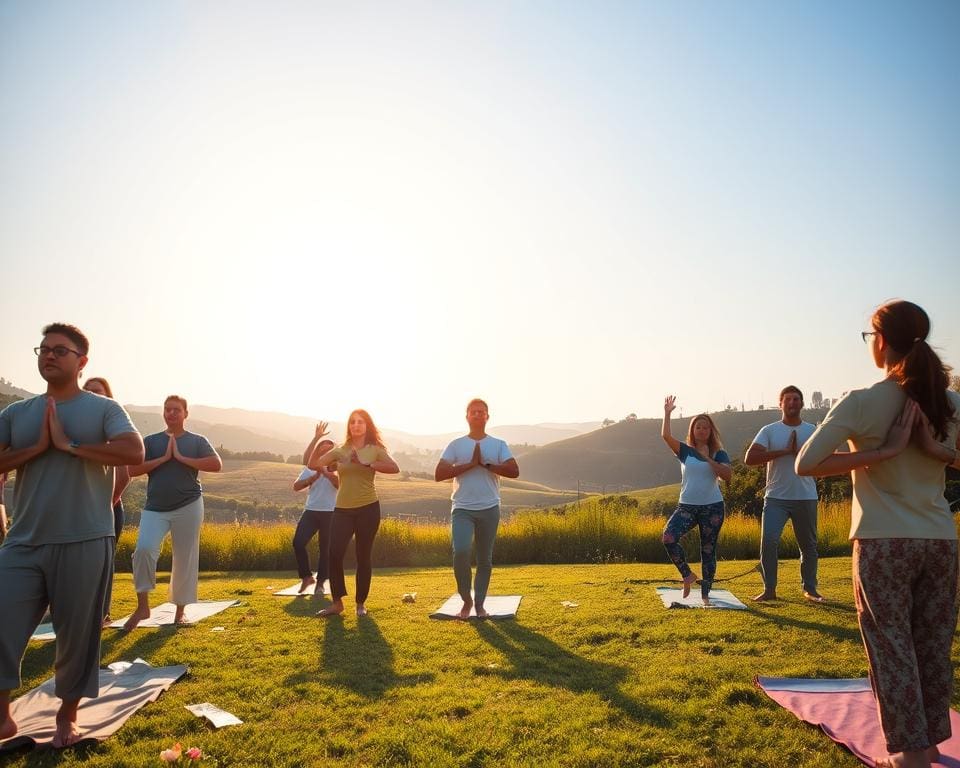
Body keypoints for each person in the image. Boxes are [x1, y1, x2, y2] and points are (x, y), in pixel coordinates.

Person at [797, 300, 960, 768]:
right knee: (932, 644)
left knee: (892, 645)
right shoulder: (949, 401)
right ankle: (928, 745)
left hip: (884, 541)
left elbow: (808, 464)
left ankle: (910, 754)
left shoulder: (863, 401)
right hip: (940, 541)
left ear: (881, 341)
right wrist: (938, 452)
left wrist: (883, 452)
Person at [0, 323, 143, 747]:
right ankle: (4, 718)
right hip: (22, 541)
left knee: (78, 634)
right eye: (43, 349)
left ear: (81, 362)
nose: (48, 355)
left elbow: (134, 451)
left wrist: (70, 445)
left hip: (84, 537)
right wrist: (37, 448)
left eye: (59, 350)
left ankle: (67, 716)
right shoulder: (16, 414)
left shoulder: (102, 409)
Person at [124, 395, 222, 630]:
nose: (171, 413)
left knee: (184, 557)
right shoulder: (151, 441)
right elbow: (132, 469)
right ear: (163, 413)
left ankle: (180, 612)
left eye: (176, 410)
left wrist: (181, 458)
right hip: (155, 507)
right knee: (144, 550)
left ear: (185, 414)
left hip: (189, 505)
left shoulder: (197, 441)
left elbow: (216, 464)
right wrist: (163, 459)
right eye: (167, 410)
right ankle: (142, 607)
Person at [308, 410, 399, 617]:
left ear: (367, 426)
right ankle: (337, 603)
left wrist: (368, 464)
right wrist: (316, 439)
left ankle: (360, 604)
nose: (356, 425)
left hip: (368, 508)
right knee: (334, 553)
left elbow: (394, 467)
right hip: (342, 510)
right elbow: (314, 464)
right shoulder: (341, 451)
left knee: (363, 556)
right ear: (349, 426)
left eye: (360, 422)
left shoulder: (375, 449)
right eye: (352, 422)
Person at [434, 399, 520, 619]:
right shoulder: (456, 444)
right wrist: (471, 464)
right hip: (462, 508)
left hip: (489, 508)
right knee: (460, 552)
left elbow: (514, 470)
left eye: (481, 412)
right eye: (473, 412)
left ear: (487, 417)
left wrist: (487, 465)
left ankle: (479, 604)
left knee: (484, 559)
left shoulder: (498, 444)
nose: (477, 415)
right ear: (467, 416)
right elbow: (439, 473)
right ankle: (466, 600)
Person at [745, 385, 822, 603]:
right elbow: (750, 459)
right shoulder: (769, 430)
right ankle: (769, 590)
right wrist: (785, 452)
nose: (792, 403)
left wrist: (802, 454)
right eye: (788, 399)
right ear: (780, 404)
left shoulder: (812, 431)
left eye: (796, 399)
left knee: (808, 546)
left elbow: (824, 460)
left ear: (802, 404)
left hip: (806, 496)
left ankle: (810, 589)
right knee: (768, 541)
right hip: (776, 498)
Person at [660, 396, 732, 605]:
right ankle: (687, 575)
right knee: (668, 537)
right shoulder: (685, 451)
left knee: (708, 550)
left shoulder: (719, 453)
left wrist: (708, 458)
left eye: (705, 428)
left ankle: (706, 595)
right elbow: (666, 436)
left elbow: (727, 475)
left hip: (713, 508)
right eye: (698, 427)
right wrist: (667, 413)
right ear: (693, 430)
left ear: (711, 431)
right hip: (687, 507)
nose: (702, 430)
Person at [82, 377, 132, 624]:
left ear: (108, 396)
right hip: (80, 508)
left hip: (107, 508)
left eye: (98, 392)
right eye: (87, 391)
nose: (92, 395)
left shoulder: (114, 432)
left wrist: (109, 502)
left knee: (102, 565)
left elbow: (124, 476)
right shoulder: (81, 431)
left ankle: (102, 614)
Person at [292, 422, 339, 594]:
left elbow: (338, 484)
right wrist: (311, 479)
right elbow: (296, 486)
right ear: (317, 452)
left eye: (329, 450)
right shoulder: (310, 469)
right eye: (322, 449)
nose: (325, 452)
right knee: (298, 543)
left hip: (331, 512)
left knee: (325, 549)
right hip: (311, 511)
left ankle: (320, 583)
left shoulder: (337, 468)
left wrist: (325, 473)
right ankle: (306, 577)